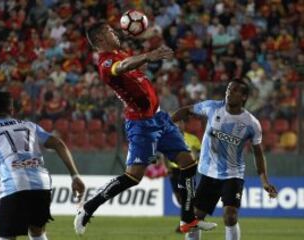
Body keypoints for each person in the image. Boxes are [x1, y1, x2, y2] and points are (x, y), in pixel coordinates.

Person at [74, 22, 217, 235]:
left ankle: (187, 221)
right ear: (101, 39)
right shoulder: (106, 63)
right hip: (140, 123)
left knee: (188, 164)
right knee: (133, 176)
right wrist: (147, 55)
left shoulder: (121, 53)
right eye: (110, 32)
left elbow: (130, 67)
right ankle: (88, 207)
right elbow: (121, 68)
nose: (115, 33)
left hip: (159, 117)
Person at [0, 91, 85, 240]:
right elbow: (59, 144)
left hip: (14, 185)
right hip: (42, 184)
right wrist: (75, 175)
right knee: (37, 232)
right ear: (12, 110)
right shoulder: (30, 126)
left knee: (6, 236)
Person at [171, 80, 278, 240]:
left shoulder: (251, 123)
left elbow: (258, 153)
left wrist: (264, 181)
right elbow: (187, 110)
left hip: (233, 174)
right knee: (195, 218)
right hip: (208, 172)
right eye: (228, 89)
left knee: (230, 216)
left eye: (235, 90)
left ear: (243, 96)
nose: (229, 92)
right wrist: (168, 124)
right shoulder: (212, 107)